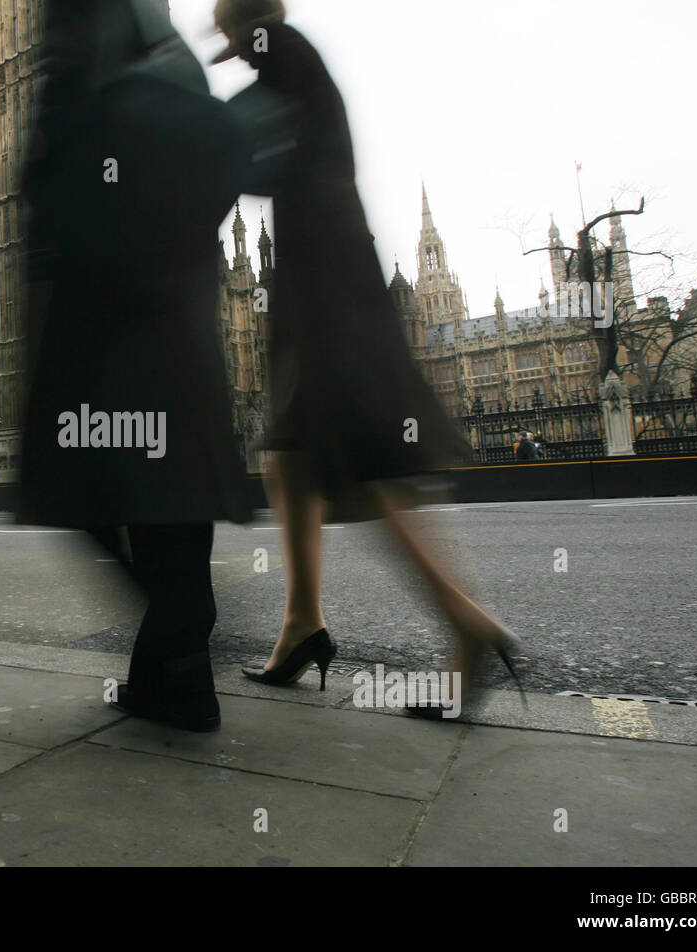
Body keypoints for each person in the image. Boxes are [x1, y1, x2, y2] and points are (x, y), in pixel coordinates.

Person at [214, 0, 522, 716]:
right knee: (288, 460)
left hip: (330, 294)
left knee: (369, 461)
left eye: (226, 25)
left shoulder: (285, 52)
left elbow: (243, 152)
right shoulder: (287, 59)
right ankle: (301, 624)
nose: (222, 38)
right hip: (318, 286)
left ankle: (469, 622)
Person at [18, 0, 252, 731]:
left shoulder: (89, 56)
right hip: (176, 304)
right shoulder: (164, 55)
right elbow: (223, 146)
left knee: (89, 484)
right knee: (166, 488)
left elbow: (57, 129)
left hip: (107, 305)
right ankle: (176, 677)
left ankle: (180, 637)